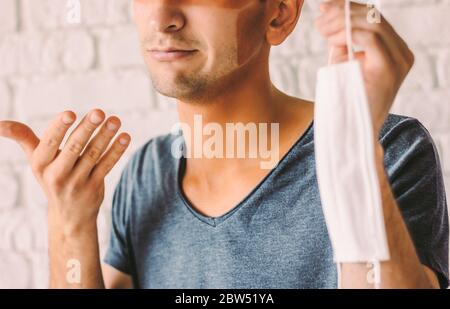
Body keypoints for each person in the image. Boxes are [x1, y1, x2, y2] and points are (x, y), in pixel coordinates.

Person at [0, 0, 448, 289]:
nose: (162, 18)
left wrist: (352, 155)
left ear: (279, 15)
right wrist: (70, 221)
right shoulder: (147, 173)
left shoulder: (388, 148)